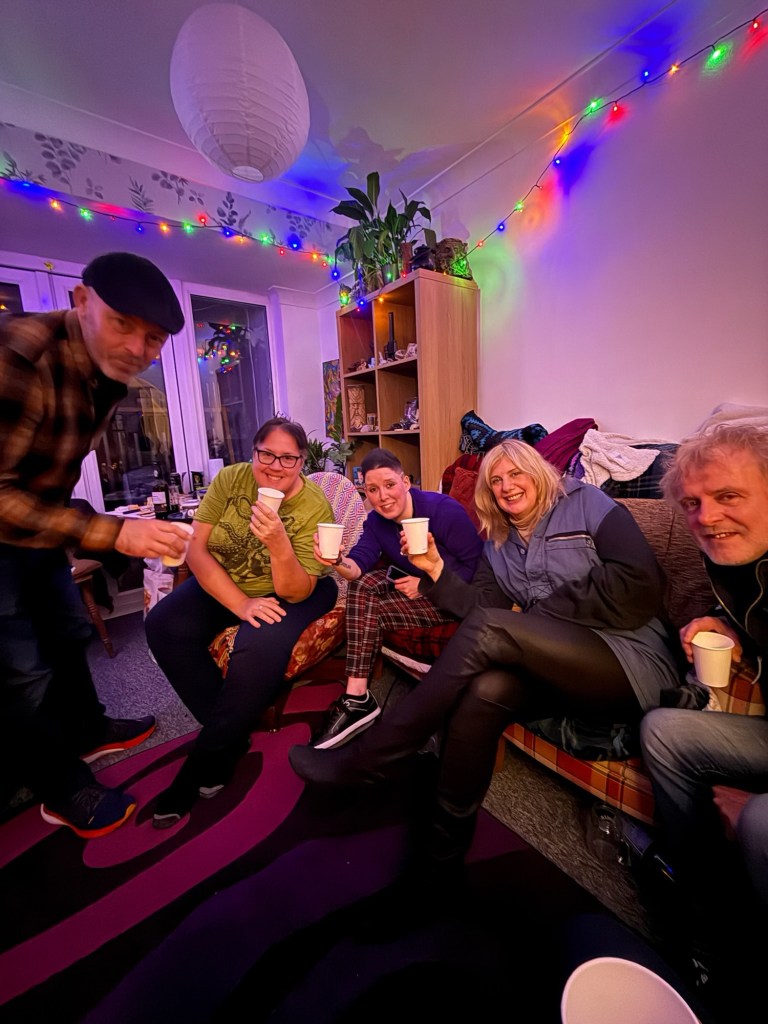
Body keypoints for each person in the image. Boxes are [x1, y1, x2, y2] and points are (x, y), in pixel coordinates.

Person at [290, 438, 680, 877]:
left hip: (629, 661)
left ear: (539, 472)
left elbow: (639, 583)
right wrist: (434, 568)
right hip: (556, 667)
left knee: (494, 629)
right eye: (495, 480)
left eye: (516, 473)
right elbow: (480, 607)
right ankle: (441, 860)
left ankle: (372, 757)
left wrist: (538, 615)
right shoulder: (499, 543)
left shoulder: (587, 503)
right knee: (485, 690)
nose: (506, 486)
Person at [0, 251, 190, 838]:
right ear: (81, 302)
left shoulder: (108, 376)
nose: (137, 348)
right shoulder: (18, 356)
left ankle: (87, 729)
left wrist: (85, 527)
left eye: (153, 338)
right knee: (22, 669)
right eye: (122, 324)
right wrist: (111, 530)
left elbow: (43, 478)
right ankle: (60, 789)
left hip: (37, 526)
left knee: (68, 630)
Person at [146, 416, 338, 828]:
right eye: (266, 454)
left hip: (296, 587)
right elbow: (196, 550)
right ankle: (229, 741)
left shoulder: (313, 505)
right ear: (253, 453)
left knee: (257, 647)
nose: (275, 466)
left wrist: (278, 543)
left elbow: (295, 591)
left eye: (288, 458)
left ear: (301, 462)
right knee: (163, 624)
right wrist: (240, 603)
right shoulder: (231, 480)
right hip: (231, 579)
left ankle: (196, 769)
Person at [639, 422, 768, 1001]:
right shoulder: (733, 564)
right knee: (662, 731)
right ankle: (708, 911)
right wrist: (729, 625)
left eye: (728, 496)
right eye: (692, 503)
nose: (707, 517)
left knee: (760, 821)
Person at [309, 448, 482, 748]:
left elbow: (477, 568)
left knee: (367, 606)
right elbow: (357, 565)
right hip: (418, 593)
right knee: (362, 586)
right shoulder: (376, 522)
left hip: (457, 597)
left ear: (405, 481)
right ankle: (357, 697)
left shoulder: (443, 511)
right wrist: (336, 560)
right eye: (373, 489)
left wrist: (426, 584)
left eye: (389, 485)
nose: (383, 497)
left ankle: (361, 703)